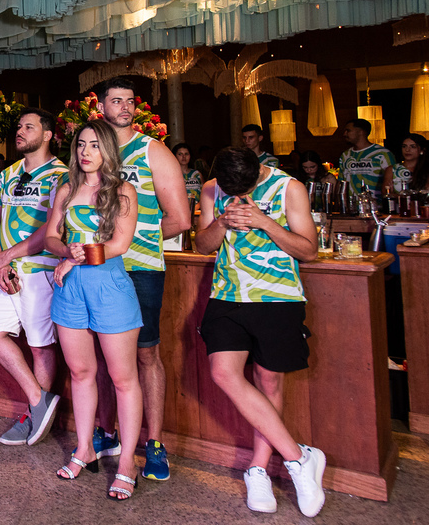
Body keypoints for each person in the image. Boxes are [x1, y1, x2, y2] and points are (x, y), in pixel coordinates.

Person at [194, 148, 326, 516]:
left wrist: (265, 222)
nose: (236, 196)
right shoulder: (211, 189)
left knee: (269, 383)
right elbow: (202, 246)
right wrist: (221, 222)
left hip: (277, 297)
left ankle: (258, 469)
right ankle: (299, 458)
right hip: (227, 295)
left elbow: (309, 251)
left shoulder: (289, 188)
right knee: (223, 373)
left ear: (258, 170)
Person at [94, 77, 190, 481]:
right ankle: (106, 432)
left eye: (130, 101)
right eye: (116, 101)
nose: (125, 107)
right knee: (104, 356)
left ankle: (154, 443)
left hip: (141, 269)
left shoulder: (153, 150)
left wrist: (134, 238)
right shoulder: (92, 148)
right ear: (101, 107)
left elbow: (180, 219)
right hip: (98, 268)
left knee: (146, 355)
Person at [43, 120, 143, 501]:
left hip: (109, 287)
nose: (86, 152)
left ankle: (127, 462)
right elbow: (52, 237)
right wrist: (65, 252)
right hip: (70, 289)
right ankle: (84, 449)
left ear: (108, 150)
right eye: (81, 145)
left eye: (95, 145)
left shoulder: (123, 191)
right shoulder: (67, 189)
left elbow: (120, 244)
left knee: (123, 378)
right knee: (81, 372)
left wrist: (77, 258)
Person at [0, 110, 67, 446]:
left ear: (48, 134)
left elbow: (52, 228)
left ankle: (33, 418)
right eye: (19, 126)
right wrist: (0, 264)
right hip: (6, 270)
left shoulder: (61, 175)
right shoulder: (8, 173)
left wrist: (8, 256)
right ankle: (38, 401)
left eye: (29, 126)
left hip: (40, 269)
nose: (20, 131)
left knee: (40, 346)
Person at [338, 118, 396, 198]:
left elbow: (393, 182)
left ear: (361, 132)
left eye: (348, 131)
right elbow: (341, 183)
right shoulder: (345, 155)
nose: (344, 134)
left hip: (376, 203)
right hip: (351, 204)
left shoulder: (382, 154)